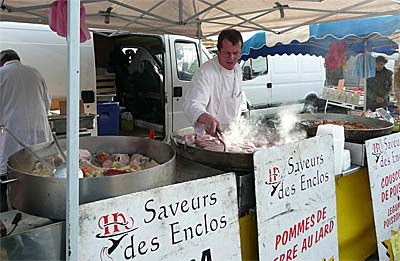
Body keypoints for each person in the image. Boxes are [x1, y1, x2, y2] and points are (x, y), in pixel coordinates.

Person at [183, 29, 245, 135]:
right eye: (227, 53)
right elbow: (191, 104)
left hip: (231, 135)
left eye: (235, 53)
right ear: (218, 51)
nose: (232, 58)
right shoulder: (206, 71)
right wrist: (207, 119)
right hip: (208, 135)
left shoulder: (238, 70)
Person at [0, 49, 53, 175]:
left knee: (13, 169)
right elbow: (47, 103)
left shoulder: (1, 73)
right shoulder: (35, 73)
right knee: (39, 169)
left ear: (1, 62)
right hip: (39, 128)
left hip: (12, 130)